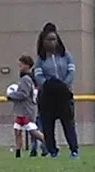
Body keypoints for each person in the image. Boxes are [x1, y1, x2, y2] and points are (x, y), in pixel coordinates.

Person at [34, 23, 79, 158]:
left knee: (68, 124)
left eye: (54, 39)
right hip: (47, 98)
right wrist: (49, 86)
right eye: (49, 40)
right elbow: (38, 76)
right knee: (48, 126)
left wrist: (63, 86)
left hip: (64, 96)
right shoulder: (40, 60)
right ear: (43, 42)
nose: (52, 42)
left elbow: (71, 72)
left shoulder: (66, 56)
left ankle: (74, 150)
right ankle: (53, 151)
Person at [7, 55, 46, 159]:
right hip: (21, 110)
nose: (19, 66)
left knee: (32, 131)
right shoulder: (27, 78)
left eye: (21, 64)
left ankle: (50, 143)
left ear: (27, 66)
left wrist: (11, 96)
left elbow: (23, 94)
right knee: (17, 129)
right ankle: (18, 152)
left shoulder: (26, 79)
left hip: (25, 110)